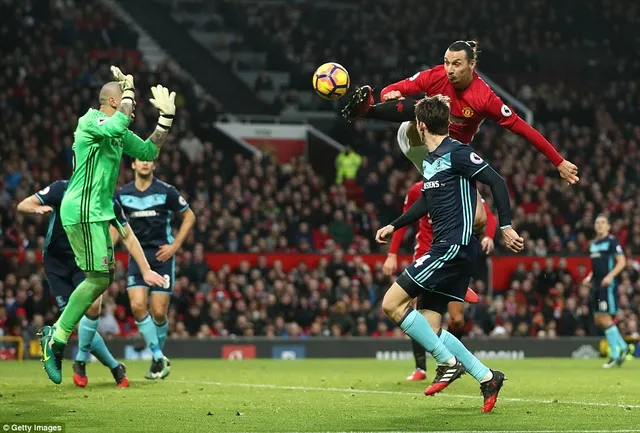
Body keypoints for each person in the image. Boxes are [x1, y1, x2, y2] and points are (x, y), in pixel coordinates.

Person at [375, 95, 524, 412]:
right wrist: (395, 224)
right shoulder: (430, 161)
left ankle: (447, 363)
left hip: (452, 248)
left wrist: (506, 225)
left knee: (391, 304)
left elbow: (496, 181)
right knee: (431, 330)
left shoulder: (457, 152)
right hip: (450, 249)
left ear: (420, 125)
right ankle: (487, 377)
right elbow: (426, 202)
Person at [39, 66, 176, 384]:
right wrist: (128, 92)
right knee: (98, 278)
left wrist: (165, 121)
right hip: (83, 208)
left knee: (101, 279)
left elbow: (146, 150)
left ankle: (56, 338)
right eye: (127, 101)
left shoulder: (115, 130)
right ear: (113, 101)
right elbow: (116, 125)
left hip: (97, 210)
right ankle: (57, 341)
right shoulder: (90, 121)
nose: (132, 106)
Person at [341, 40, 579, 185]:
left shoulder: (484, 98)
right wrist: (387, 95)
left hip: (450, 156)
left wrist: (557, 161)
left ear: (471, 65)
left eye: (456, 64)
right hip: (416, 136)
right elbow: (393, 89)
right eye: (446, 62)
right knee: (431, 108)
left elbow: (523, 129)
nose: (449, 70)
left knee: (479, 219)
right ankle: (367, 111)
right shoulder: (435, 75)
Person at [18, 180, 164, 387]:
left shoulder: (107, 200)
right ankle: (114, 366)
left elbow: (128, 235)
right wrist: (37, 208)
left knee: (94, 306)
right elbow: (22, 205)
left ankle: (78, 359)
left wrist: (146, 268)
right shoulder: (61, 188)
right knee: (77, 323)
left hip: (84, 261)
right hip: (56, 263)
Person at [383, 180, 496, 381]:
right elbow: (405, 220)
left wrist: (488, 236)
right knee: (415, 310)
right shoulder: (417, 189)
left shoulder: (459, 184)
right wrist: (392, 254)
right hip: (426, 255)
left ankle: (453, 363)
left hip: (451, 256)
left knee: (457, 318)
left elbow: (487, 216)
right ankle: (422, 368)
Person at [114, 158, 195, 379]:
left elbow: (189, 216)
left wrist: (175, 245)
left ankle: (155, 360)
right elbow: (117, 226)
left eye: (149, 160)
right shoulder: (122, 194)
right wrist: (108, 251)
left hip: (161, 256)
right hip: (138, 257)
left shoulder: (166, 191)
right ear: (133, 165)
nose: (145, 163)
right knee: (138, 305)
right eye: (141, 160)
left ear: (154, 165)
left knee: (159, 312)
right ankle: (159, 356)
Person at [582, 215, 630, 368]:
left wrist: (610, 276)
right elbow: (596, 266)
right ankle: (623, 347)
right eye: (597, 223)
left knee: (604, 317)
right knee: (598, 319)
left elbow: (622, 261)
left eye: (603, 222)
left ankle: (615, 354)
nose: (600, 225)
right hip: (596, 284)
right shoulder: (594, 244)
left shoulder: (612, 241)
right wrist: (590, 276)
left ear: (608, 226)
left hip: (607, 285)